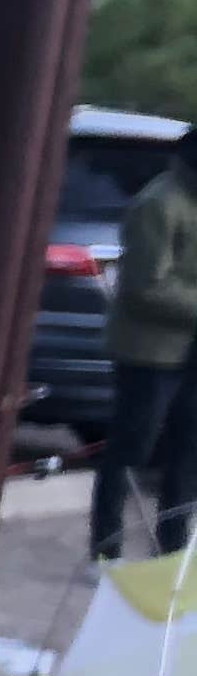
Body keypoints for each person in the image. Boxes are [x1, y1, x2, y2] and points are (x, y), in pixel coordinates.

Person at [97, 140, 197, 560]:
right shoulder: (159, 203)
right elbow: (144, 288)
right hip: (150, 352)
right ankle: (106, 549)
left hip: (191, 350)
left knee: (187, 454)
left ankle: (172, 553)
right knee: (130, 450)